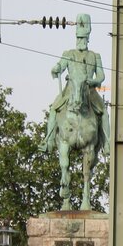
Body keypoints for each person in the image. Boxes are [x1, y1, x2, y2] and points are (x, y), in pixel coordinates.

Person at [42, 13, 109, 154]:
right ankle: (48, 141)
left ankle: (107, 143)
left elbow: (101, 75)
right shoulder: (69, 53)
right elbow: (61, 64)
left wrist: (94, 81)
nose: (81, 41)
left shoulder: (95, 56)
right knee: (54, 108)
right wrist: (56, 68)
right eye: (79, 38)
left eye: (83, 38)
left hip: (89, 92)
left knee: (103, 113)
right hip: (70, 91)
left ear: (88, 38)